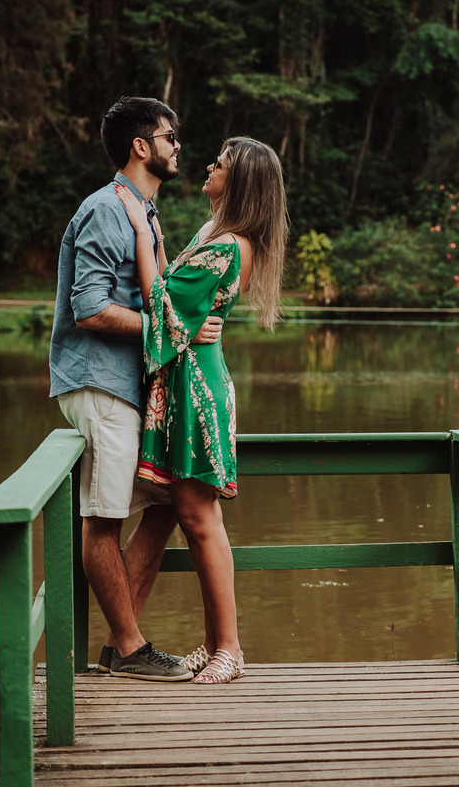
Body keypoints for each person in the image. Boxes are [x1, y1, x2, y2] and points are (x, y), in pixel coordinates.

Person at [49, 96, 221, 682]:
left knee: (169, 500)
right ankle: (129, 649)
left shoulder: (143, 212)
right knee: (103, 518)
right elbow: (90, 308)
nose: (179, 146)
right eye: (170, 136)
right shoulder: (106, 209)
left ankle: (121, 645)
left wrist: (183, 324)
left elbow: (160, 294)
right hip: (98, 382)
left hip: (129, 387)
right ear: (141, 146)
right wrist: (170, 329)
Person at [114, 136, 287, 684]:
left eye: (222, 163)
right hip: (187, 381)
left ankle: (230, 649)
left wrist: (141, 233)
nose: (210, 165)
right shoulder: (213, 233)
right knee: (196, 518)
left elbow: (161, 304)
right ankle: (213, 643)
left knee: (199, 518)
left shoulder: (230, 246)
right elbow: (177, 297)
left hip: (195, 391)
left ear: (240, 183)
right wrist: (159, 241)